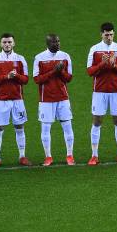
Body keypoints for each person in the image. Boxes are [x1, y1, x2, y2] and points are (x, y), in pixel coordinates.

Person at [86, 22, 117, 165]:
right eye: (106, 34)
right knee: (97, 121)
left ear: (114, 34)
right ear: (101, 34)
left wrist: (113, 65)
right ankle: (94, 155)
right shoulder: (94, 49)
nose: (109, 37)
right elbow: (90, 71)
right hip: (99, 92)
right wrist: (102, 65)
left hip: (116, 92)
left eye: (111, 34)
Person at [0, 33, 31, 168]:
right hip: (1, 100)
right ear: (1, 44)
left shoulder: (20, 59)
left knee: (19, 127)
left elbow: (26, 79)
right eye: (4, 42)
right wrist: (6, 76)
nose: (7, 44)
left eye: (9, 42)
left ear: (14, 43)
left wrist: (16, 75)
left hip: (18, 99)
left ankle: (22, 156)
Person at [33, 34, 75, 166]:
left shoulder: (65, 56)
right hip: (46, 100)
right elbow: (37, 79)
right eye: (54, 42)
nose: (57, 44)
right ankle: (48, 157)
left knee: (67, 127)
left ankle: (69, 155)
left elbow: (69, 78)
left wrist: (61, 72)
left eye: (58, 41)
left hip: (63, 98)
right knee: (45, 128)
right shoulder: (39, 58)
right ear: (48, 44)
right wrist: (53, 71)